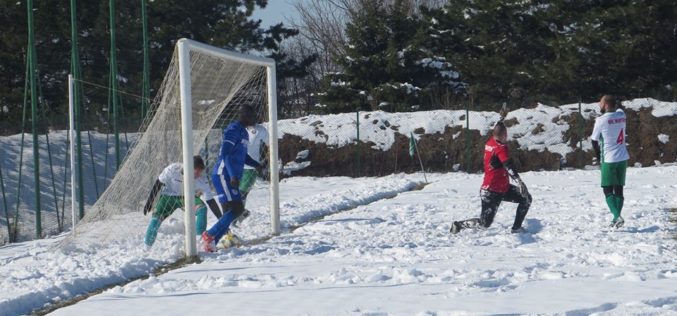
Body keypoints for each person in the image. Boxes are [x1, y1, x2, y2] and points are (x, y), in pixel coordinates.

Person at [450, 121, 532, 234]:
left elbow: (496, 132)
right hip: (491, 192)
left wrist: (501, 119)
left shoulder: (490, 142)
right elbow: (508, 165)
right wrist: (519, 181)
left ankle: (516, 229)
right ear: (504, 135)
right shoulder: (501, 148)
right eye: (506, 134)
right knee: (484, 224)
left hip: (503, 187)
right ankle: (458, 225)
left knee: (526, 198)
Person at [201, 105, 262, 252]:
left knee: (229, 211)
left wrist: (256, 164)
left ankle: (211, 244)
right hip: (224, 174)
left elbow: (242, 156)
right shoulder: (233, 129)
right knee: (238, 208)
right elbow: (226, 153)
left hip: (230, 176)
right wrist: (233, 174)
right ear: (246, 115)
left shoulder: (245, 134)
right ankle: (209, 235)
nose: (255, 119)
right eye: (253, 115)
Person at [143, 155, 221, 247]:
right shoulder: (173, 169)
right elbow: (158, 183)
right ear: (188, 167)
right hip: (168, 197)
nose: (198, 175)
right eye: (196, 171)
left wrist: (221, 219)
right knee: (156, 218)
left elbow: (210, 201)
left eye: (200, 172)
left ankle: (199, 241)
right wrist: (149, 201)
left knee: (202, 209)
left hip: (187, 197)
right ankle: (146, 247)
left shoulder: (202, 180)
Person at [591, 95, 629, 228]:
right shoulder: (622, 115)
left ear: (606, 105)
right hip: (623, 157)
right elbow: (620, 108)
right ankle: (616, 217)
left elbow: (594, 140)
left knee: (607, 188)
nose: (599, 105)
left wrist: (598, 158)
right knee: (619, 188)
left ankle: (617, 216)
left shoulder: (601, 120)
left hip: (609, 158)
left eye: (601, 102)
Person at [232, 122, 269, 227]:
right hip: (236, 166)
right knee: (234, 193)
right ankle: (241, 213)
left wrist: (266, 160)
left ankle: (234, 219)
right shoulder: (238, 129)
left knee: (241, 194)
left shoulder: (260, 130)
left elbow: (271, 144)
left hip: (251, 168)